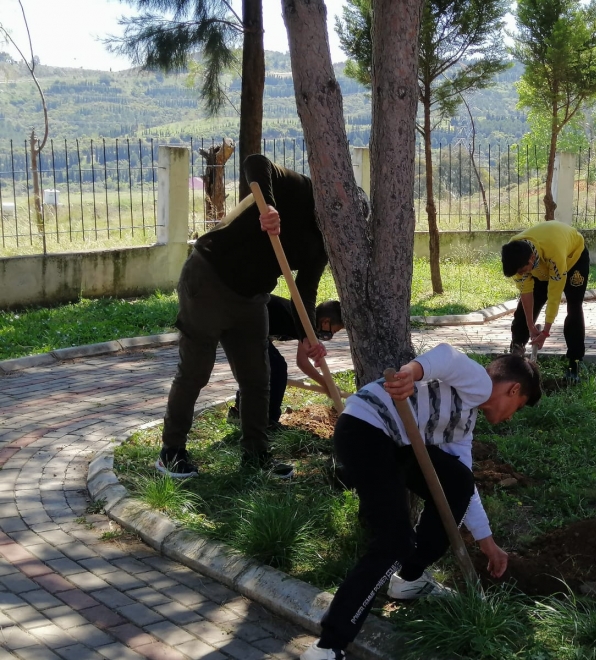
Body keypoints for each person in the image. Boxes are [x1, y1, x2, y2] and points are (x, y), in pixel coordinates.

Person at [300, 343, 542, 660]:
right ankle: (328, 645)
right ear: (513, 390)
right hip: (365, 431)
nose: (510, 418)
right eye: (518, 407)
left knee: (457, 482)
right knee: (393, 542)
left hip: (396, 443)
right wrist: (410, 374)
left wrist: (488, 544)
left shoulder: (463, 424)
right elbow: (447, 356)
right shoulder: (479, 383)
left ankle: (409, 578)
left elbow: (465, 490)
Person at [157, 154, 329, 480]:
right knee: (195, 372)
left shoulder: (325, 241)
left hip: (252, 298)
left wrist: (308, 336)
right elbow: (255, 162)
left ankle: (256, 454)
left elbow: (304, 292)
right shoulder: (300, 188)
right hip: (209, 278)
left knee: (258, 378)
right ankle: (171, 452)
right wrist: (268, 207)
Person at [228, 296, 345, 429]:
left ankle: (238, 413)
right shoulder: (306, 322)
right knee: (277, 368)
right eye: (334, 331)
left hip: (247, 322)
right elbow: (303, 363)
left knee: (263, 367)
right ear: (325, 322)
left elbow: (300, 358)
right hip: (244, 320)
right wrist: (327, 385)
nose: (332, 335)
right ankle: (269, 421)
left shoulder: (306, 320)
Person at [501, 220, 590, 382]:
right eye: (518, 273)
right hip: (541, 268)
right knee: (522, 313)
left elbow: (554, 297)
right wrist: (530, 326)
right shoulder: (514, 253)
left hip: (573, 259)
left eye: (522, 271)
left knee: (574, 308)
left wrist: (545, 332)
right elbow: (526, 293)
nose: (520, 274)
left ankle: (574, 364)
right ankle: (516, 357)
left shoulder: (554, 251)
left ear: (531, 258)